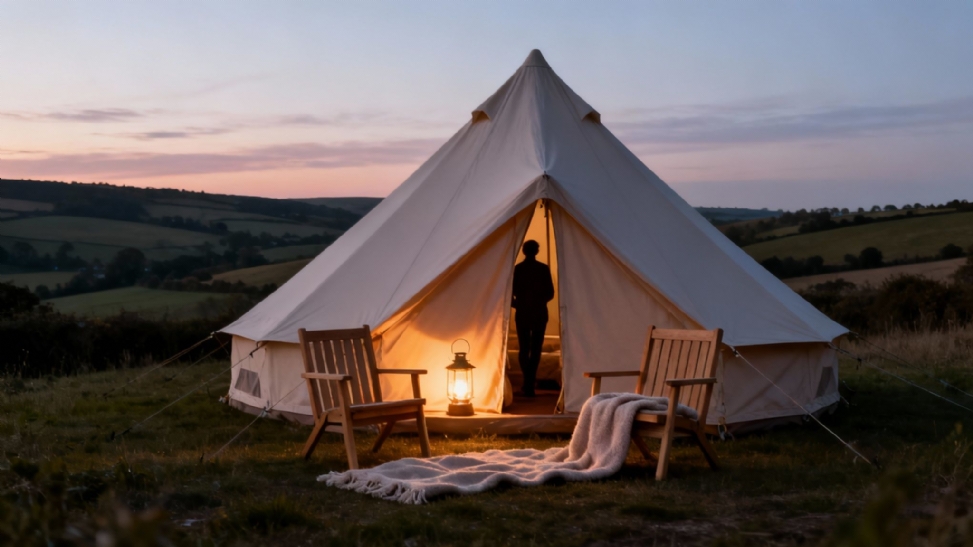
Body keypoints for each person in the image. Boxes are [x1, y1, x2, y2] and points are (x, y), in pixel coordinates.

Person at [511, 239, 555, 397]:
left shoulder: (518, 269)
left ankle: (527, 382)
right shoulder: (543, 269)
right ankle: (530, 382)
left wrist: (520, 304)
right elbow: (550, 292)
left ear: (523, 251)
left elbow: (511, 292)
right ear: (537, 251)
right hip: (539, 313)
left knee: (524, 348)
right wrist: (538, 302)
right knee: (536, 349)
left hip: (523, 313)